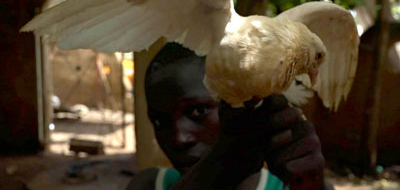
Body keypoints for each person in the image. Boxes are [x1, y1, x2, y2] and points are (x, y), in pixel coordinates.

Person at [126, 42, 333, 190]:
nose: (178, 138)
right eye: (159, 121)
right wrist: (220, 169)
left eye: (198, 112)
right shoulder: (148, 184)